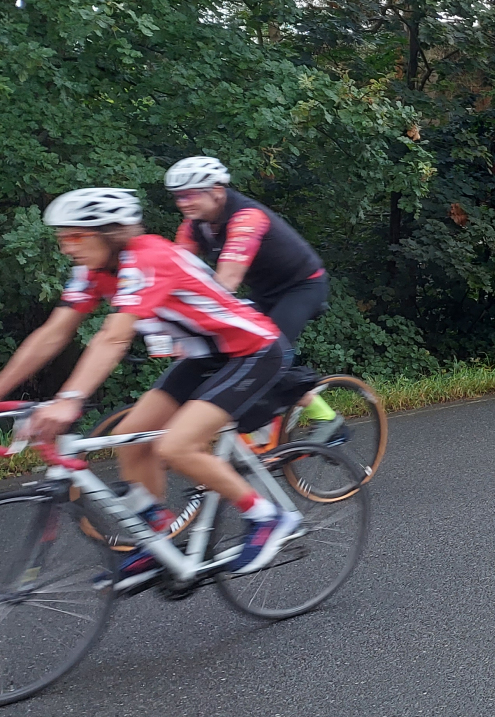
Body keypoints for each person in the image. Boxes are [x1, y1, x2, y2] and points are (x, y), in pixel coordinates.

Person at [0, 188, 301, 582]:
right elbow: (53, 333)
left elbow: (114, 337)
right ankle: (159, 540)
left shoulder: (148, 256)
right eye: (62, 237)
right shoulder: (92, 270)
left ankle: (268, 517)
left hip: (253, 351)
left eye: (75, 236)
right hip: (203, 356)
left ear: (109, 233)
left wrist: (69, 399)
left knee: (176, 445)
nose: (66, 248)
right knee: (131, 438)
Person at [164, 156, 342, 443]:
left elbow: (226, 283)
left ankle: (326, 417)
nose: (183, 202)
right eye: (178, 196)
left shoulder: (246, 218)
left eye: (190, 194)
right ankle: (259, 432)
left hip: (301, 287)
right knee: (230, 352)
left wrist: (193, 327)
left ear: (217, 191)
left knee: (266, 352)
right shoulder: (194, 225)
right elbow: (175, 274)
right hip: (263, 291)